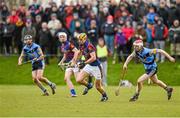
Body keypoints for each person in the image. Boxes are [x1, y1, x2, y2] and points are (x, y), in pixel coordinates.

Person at [76, 33, 108, 102]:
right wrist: (77, 61)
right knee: (78, 80)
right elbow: (80, 53)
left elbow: (93, 58)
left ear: (85, 39)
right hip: (89, 65)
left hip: (96, 67)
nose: (79, 41)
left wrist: (84, 63)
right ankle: (89, 85)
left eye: (81, 39)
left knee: (98, 87)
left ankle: (104, 95)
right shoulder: (81, 45)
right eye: (79, 39)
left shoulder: (89, 46)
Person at [57, 32, 79, 97]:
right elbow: (65, 55)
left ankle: (88, 85)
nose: (62, 38)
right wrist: (61, 62)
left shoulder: (69, 44)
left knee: (78, 80)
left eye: (63, 37)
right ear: (59, 38)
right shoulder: (62, 46)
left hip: (74, 63)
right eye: (60, 37)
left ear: (66, 37)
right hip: (69, 64)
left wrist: (73, 61)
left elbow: (77, 51)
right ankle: (73, 93)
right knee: (66, 78)